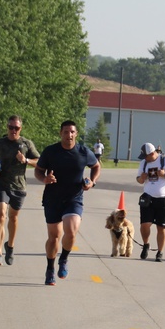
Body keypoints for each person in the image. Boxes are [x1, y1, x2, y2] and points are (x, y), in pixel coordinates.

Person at [34, 121, 100, 285]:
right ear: (60, 133)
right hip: (52, 198)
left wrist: (92, 181)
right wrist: (45, 179)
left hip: (74, 198)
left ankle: (63, 259)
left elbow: (96, 166)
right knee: (54, 237)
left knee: (71, 231)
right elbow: (38, 170)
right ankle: (50, 269)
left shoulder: (84, 152)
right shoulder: (51, 151)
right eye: (65, 132)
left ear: (76, 134)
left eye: (72, 132)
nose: (69, 135)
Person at [0, 116, 40, 266]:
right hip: (1, 184)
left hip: (18, 186)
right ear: (7, 127)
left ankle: (10, 246)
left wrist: (26, 160)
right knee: (1, 215)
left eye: (16, 128)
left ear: (20, 129)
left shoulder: (26, 144)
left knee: (13, 218)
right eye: (11, 127)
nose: (13, 131)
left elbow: (39, 161)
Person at [135, 142, 165, 261]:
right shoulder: (144, 163)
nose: (145, 158)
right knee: (145, 225)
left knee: (161, 227)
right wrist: (142, 178)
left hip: (164, 199)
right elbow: (139, 180)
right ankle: (146, 244)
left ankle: (160, 252)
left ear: (152, 153)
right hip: (148, 198)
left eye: (146, 156)